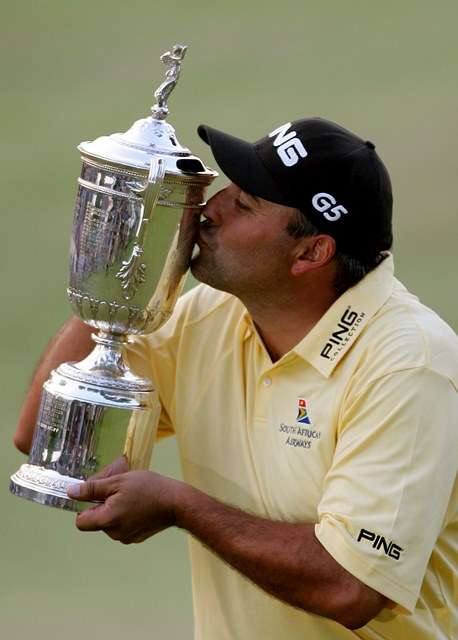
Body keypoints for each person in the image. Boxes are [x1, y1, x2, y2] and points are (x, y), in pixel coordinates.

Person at [14, 118, 458, 639]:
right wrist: (121, 276)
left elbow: (350, 587)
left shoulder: (410, 364)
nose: (209, 209)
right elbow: (52, 436)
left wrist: (182, 507)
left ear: (310, 253)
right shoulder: (212, 313)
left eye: (244, 204)